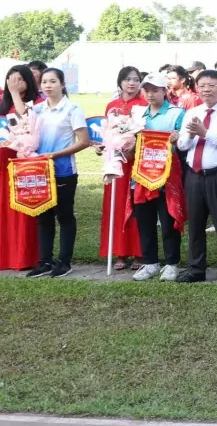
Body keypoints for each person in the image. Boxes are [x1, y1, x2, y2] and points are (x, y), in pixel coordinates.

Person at [175, 69, 217, 284]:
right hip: (194, 174)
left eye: (211, 85)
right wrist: (187, 136)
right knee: (195, 223)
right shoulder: (192, 112)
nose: (206, 89)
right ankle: (196, 268)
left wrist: (205, 133)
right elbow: (183, 145)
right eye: (202, 85)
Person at [27, 68, 90, 278]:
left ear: (62, 84)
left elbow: (84, 141)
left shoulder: (72, 109)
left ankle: (64, 262)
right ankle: (45, 261)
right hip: (39, 171)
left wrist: (54, 155)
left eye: (53, 81)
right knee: (43, 216)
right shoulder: (36, 110)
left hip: (64, 171)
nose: (48, 85)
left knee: (64, 215)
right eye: (44, 81)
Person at [129, 73, 186, 282]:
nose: (150, 94)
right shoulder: (137, 114)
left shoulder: (176, 113)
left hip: (167, 176)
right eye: (147, 90)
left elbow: (183, 142)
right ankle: (150, 262)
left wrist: (177, 138)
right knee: (145, 221)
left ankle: (171, 263)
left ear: (164, 91)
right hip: (142, 175)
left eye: (155, 90)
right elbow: (130, 143)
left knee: (168, 219)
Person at [99, 66, 148, 271]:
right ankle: (120, 252)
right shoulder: (112, 106)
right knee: (117, 205)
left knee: (136, 205)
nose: (132, 83)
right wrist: (104, 146)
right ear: (120, 82)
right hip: (116, 163)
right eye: (127, 79)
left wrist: (132, 148)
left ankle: (139, 252)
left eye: (136, 79)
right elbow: (107, 133)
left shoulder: (144, 105)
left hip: (136, 162)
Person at [0, 65, 40, 270]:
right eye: (11, 80)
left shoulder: (37, 103)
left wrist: (15, 94)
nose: (15, 83)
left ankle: (22, 257)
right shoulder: (2, 105)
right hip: (2, 164)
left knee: (22, 213)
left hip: (23, 166)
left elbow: (26, 123)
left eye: (19, 79)